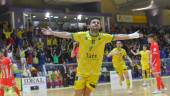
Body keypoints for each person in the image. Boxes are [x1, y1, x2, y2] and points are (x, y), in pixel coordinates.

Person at [42, 17, 143, 96]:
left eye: (98, 23)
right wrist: (53, 33)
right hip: (82, 72)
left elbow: (118, 36)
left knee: (87, 94)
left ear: (100, 26)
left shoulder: (104, 37)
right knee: (78, 94)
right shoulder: (81, 35)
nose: (96, 23)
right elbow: (67, 34)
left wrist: (133, 35)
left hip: (94, 73)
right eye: (93, 22)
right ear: (89, 26)